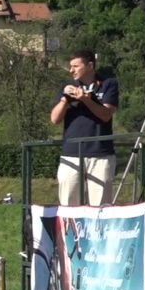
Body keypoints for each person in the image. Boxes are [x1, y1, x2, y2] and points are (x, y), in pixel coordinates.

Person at [50, 49, 118, 206]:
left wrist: (86, 100)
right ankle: (70, 232)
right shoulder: (67, 87)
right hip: (71, 154)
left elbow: (106, 114)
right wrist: (65, 99)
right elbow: (54, 119)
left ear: (90, 66)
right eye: (70, 66)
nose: (71, 70)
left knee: (100, 207)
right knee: (68, 205)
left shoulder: (108, 84)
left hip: (100, 155)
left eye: (75, 66)